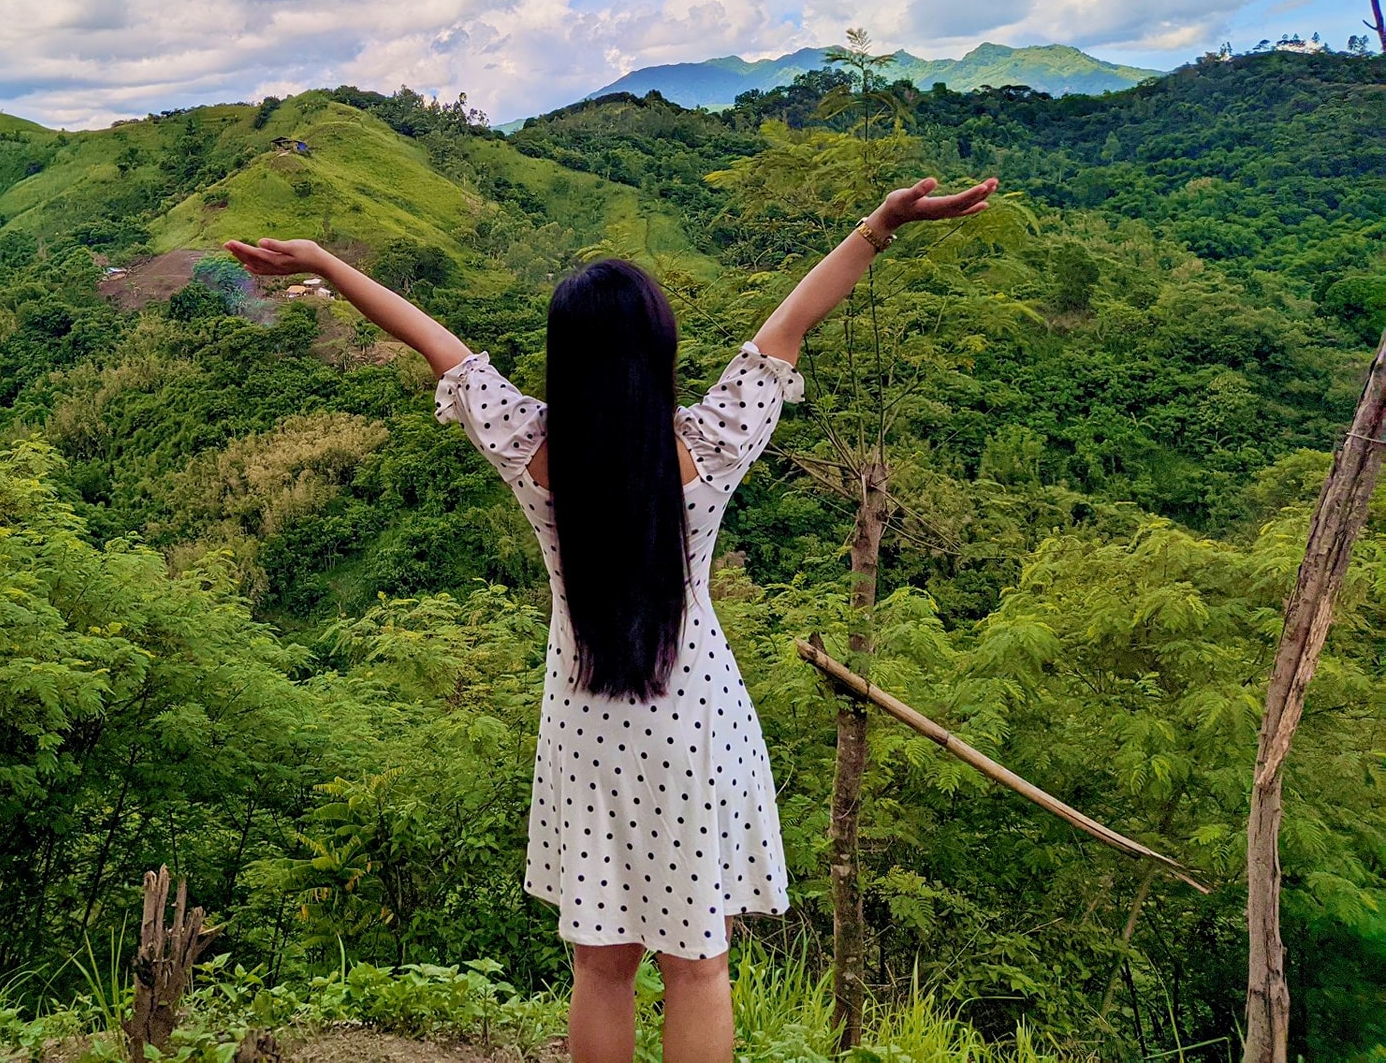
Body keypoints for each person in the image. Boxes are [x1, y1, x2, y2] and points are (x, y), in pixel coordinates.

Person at [227, 172, 996, 1063]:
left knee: (602, 968)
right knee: (699, 969)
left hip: (585, 725)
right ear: (661, 351)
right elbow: (789, 325)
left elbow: (434, 343)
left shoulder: (529, 445)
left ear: (564, 356)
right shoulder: (709, 443)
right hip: (695, 724)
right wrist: (879, 225)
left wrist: (322, 260)